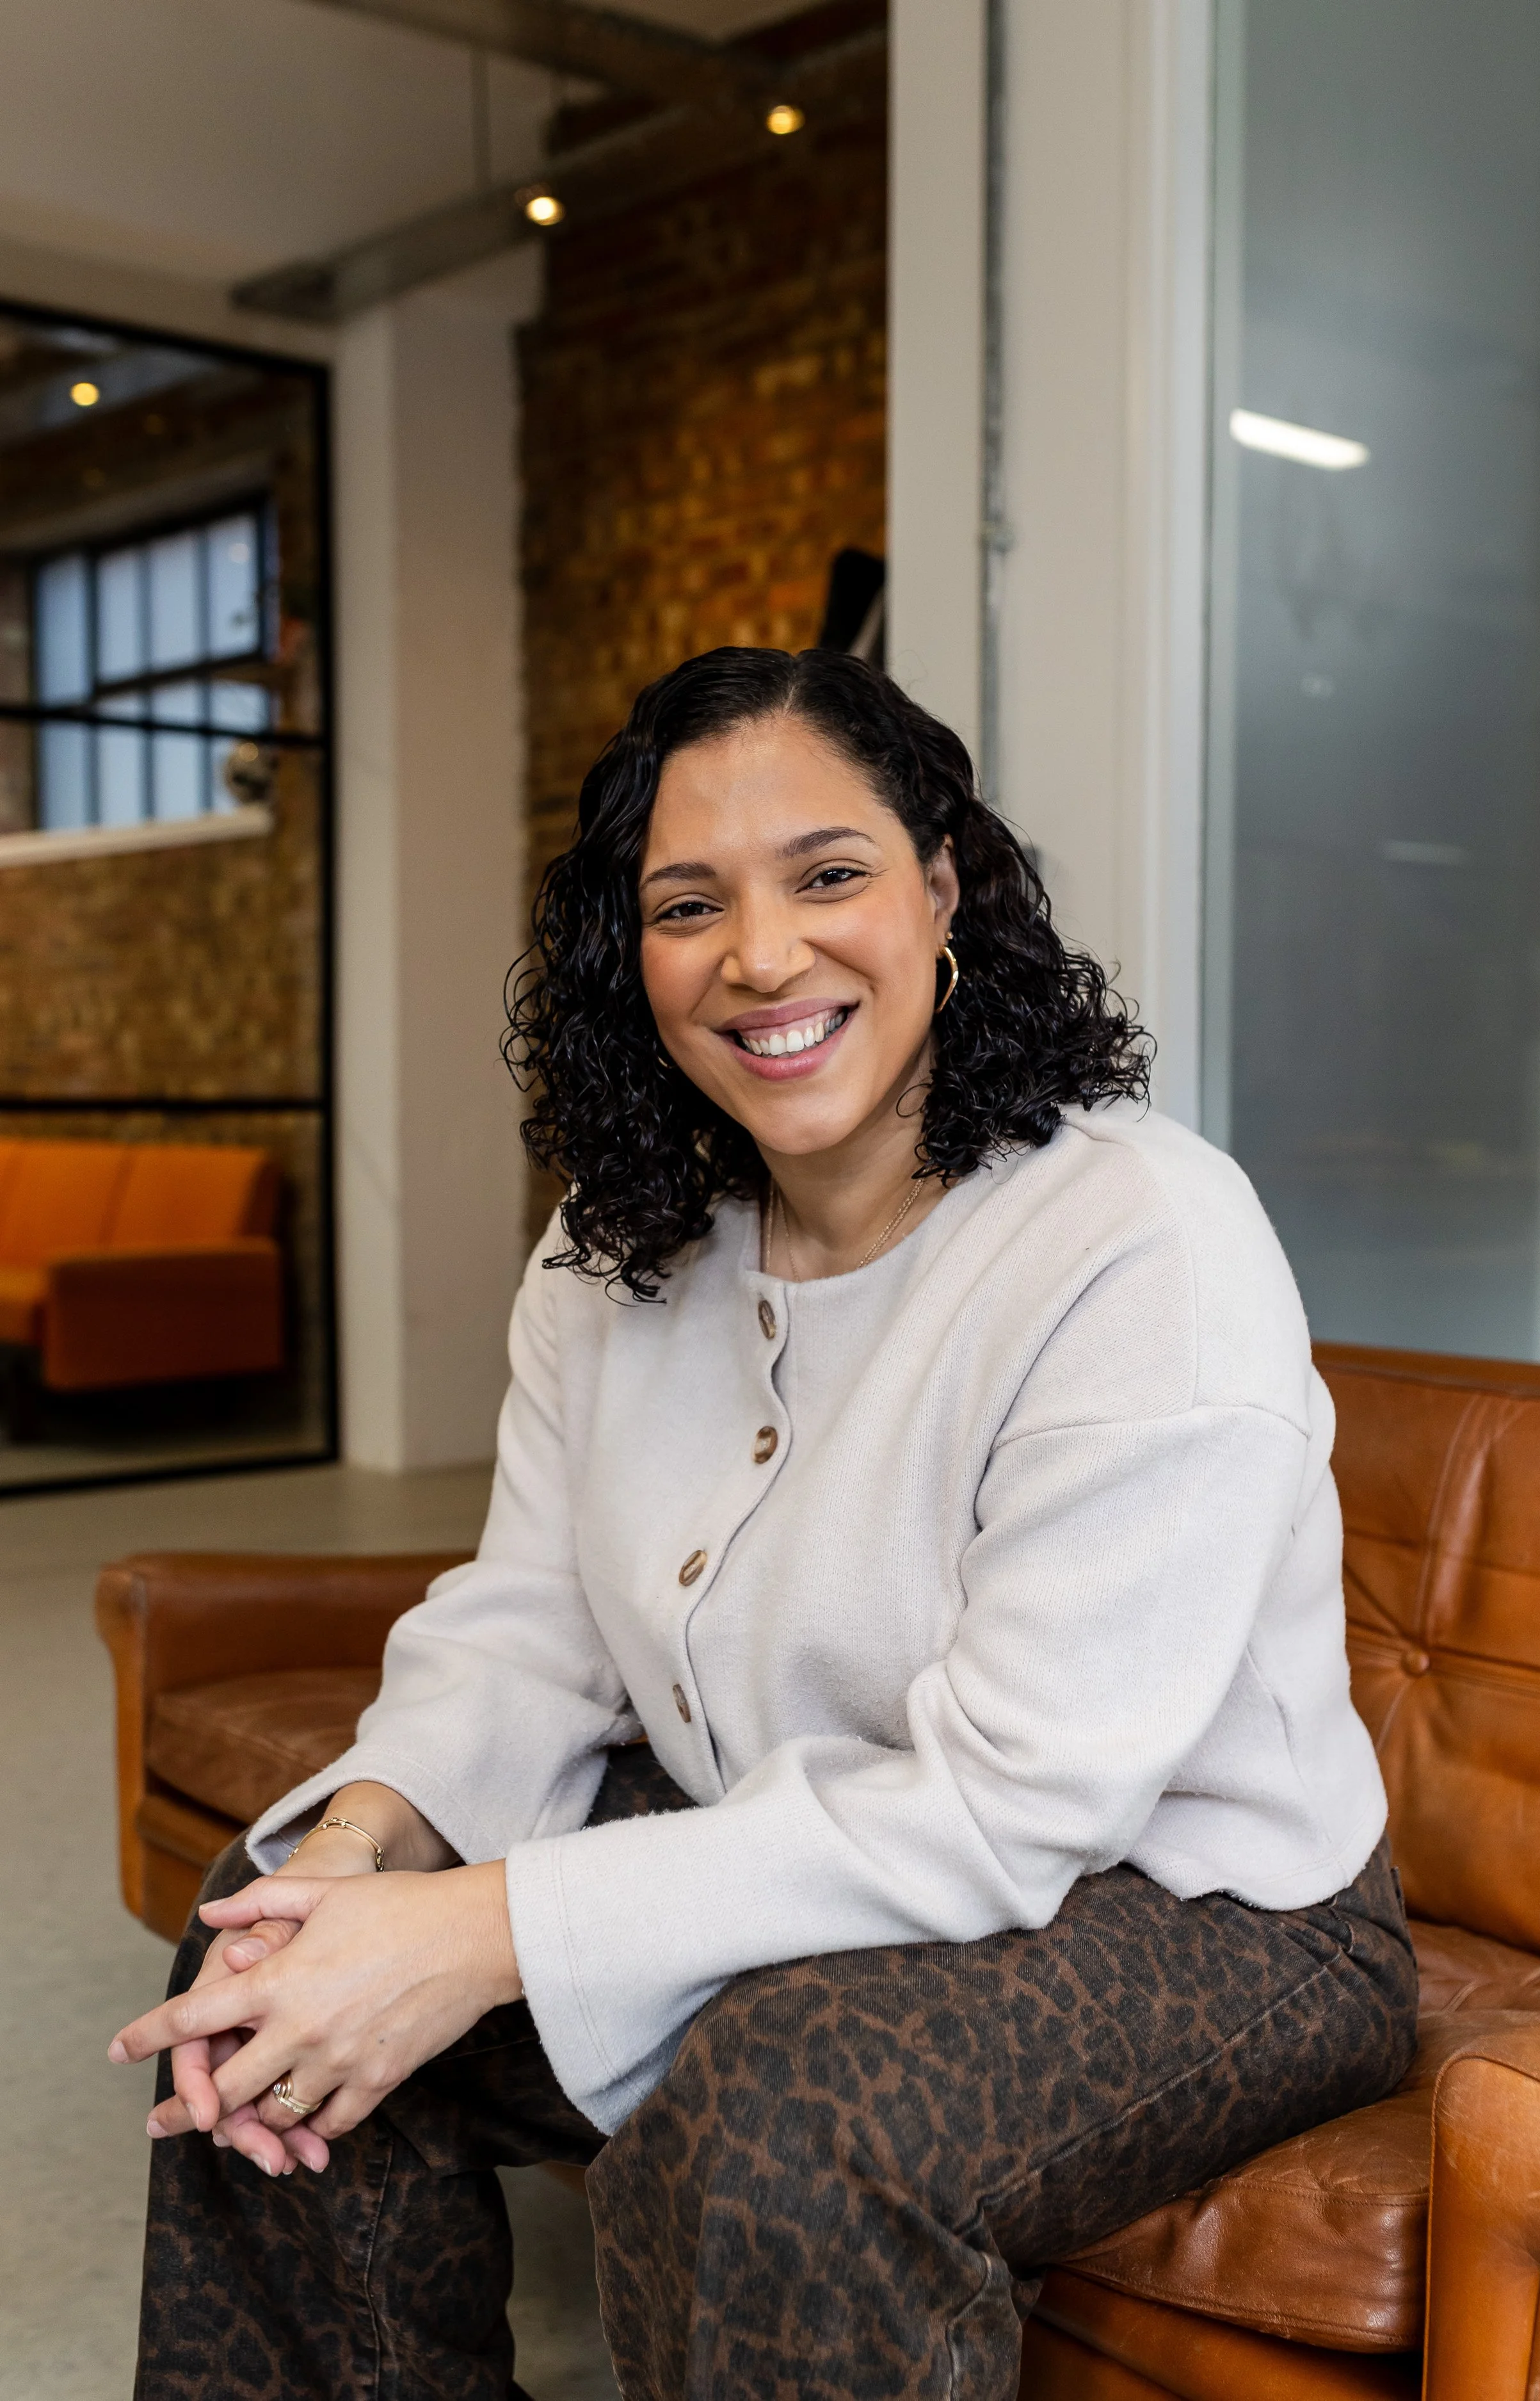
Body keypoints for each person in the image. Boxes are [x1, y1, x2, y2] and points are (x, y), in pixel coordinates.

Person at [115, 647, 1415, 2401]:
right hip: (801, 1817)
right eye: (685, 902)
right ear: (625, 956)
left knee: (784, 2129)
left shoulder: (1139, 1239)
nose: (762, 954)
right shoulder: (616, 1241)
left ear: (941, 887)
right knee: (264, 1954)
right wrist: (363, 1854)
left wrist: (488, 1924)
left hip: (1195, 1907)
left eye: (828, 873)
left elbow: (1010, 1803)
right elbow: (530, 1619)